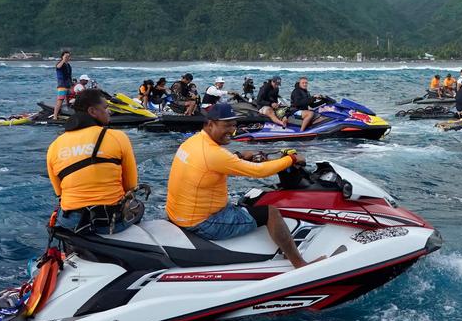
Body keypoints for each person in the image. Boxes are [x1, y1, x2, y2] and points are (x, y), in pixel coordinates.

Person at [164, 102, 311, 266]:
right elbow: (259, 171)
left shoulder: (193, 142)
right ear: (210, 124)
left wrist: (239, 155)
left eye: (234, 125)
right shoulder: (214, 154)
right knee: (270, 213)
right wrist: (291, 159)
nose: (232, 131)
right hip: (202, 224)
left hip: (177, 214)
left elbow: (215, 162)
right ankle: (299, 263)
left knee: (248, 201)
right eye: (226, 125)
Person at [46, 89, 142, 235]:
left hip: (71, 222)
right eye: (105, 108)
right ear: (92, 111)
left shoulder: (54, 146)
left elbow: (59, 192)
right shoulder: (117, 137)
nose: (109, 112)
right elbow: (131, 185)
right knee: (139, 207)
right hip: (108, 220)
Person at [52, 49, 73, 120]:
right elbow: (58, 67)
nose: (68, 57)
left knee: (69, 100)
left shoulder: (68, 65)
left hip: (68, 85)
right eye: (66, 56)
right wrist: (63, 60)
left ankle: (67, 113)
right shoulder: (60, 63)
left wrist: (72, 84)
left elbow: (70, 76)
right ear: (62, 56)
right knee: (60, 100)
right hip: (62, 85)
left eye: (68, 56)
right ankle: (55, 116)